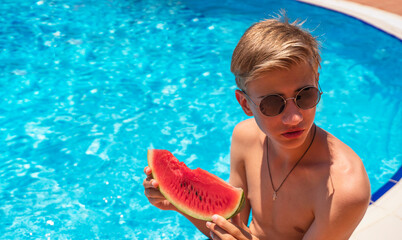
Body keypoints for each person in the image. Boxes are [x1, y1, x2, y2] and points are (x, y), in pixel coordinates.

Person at [143, 14, 371, 240]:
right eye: (273, 103)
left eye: (305, 95)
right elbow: (230, 225)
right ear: (245, 104)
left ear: (317, 83)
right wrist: (178, 202)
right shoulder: (245, 137)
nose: (293, 118)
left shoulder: (344, 188)